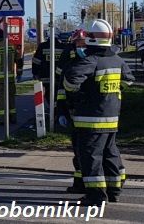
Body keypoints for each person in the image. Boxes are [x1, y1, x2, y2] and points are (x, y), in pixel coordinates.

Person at [63, 19, 134, 205]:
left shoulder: (91, 60)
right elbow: (129, 81)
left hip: (90, 119)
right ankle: (114, 191)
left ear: (92, 38)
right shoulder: (116, 59)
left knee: (91, 157)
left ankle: (96, 196)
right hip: (112, 117)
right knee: (110, 154)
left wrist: (82, 94)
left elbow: (70, 81)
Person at [57, 29, 88, 193]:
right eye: (78, 43)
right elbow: (61, 89)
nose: (80, 46)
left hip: (91, 113)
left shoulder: (94, 61)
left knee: (88, 151)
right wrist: (61, 111)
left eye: (83, 43)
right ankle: (80, 183)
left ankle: (87, 185)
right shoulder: (69, 65)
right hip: (74, 112)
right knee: (79, 150)